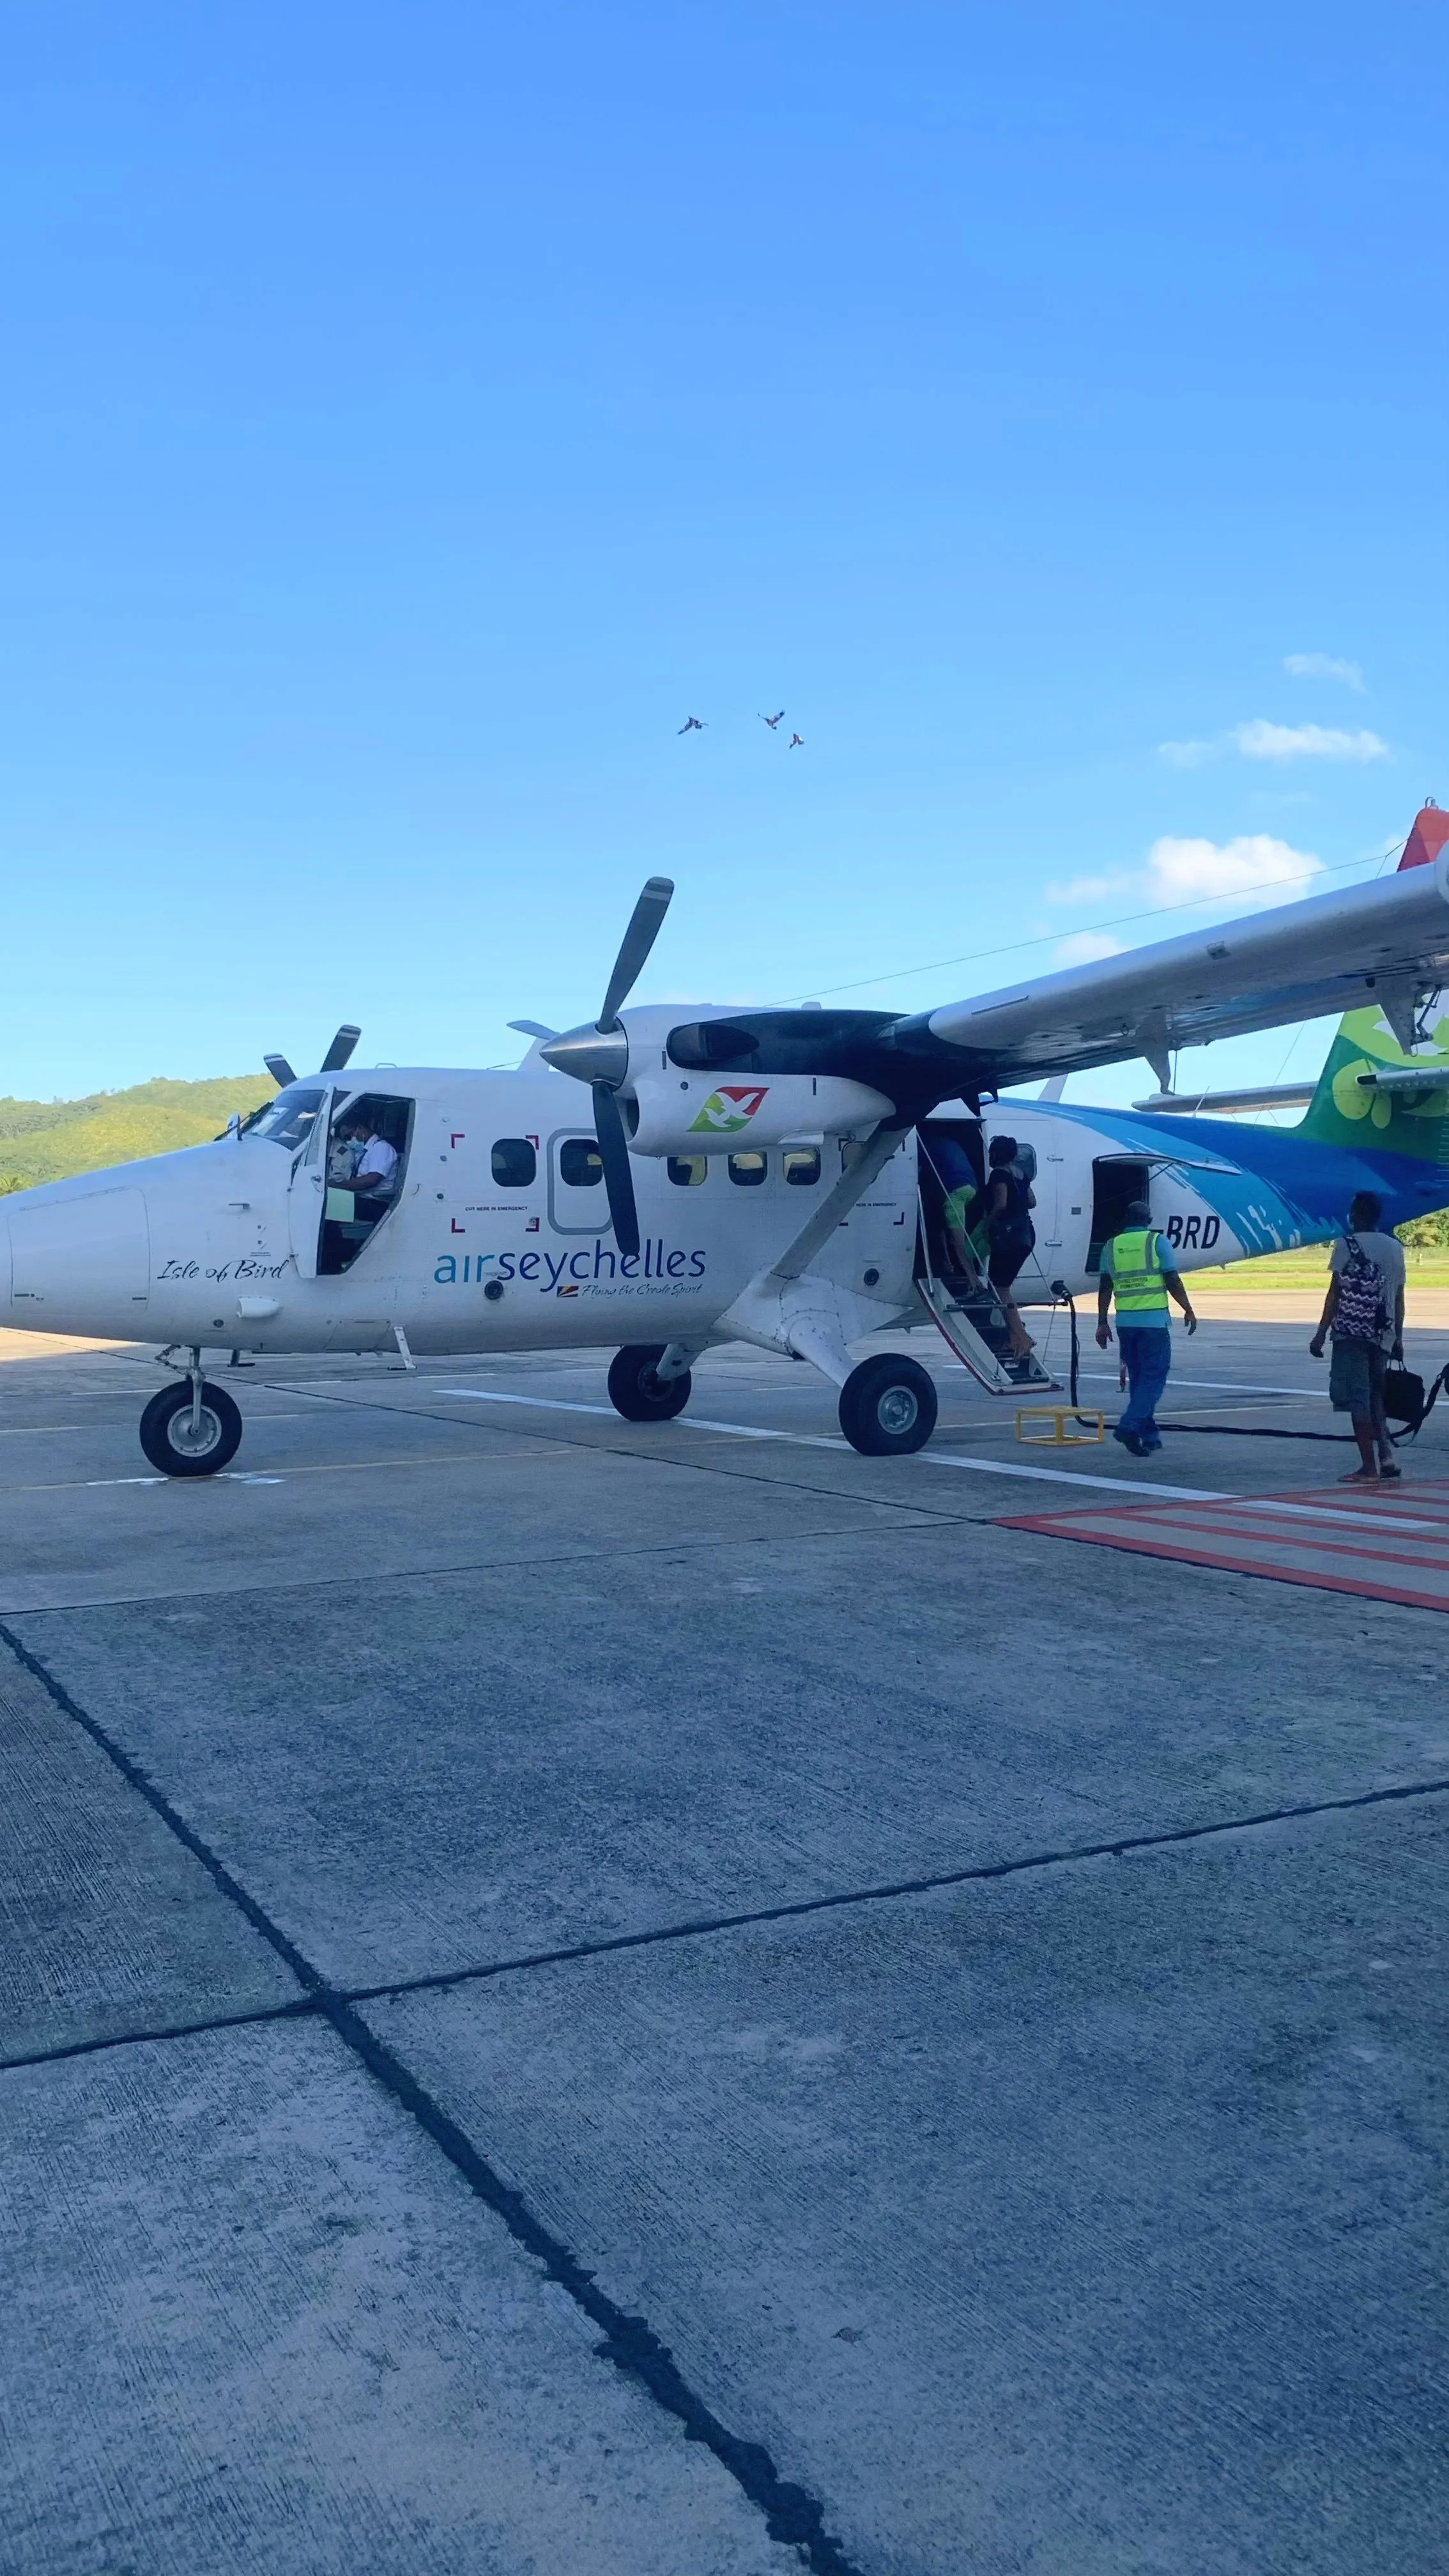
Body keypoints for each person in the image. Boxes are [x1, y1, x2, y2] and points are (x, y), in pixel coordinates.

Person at [1308, 1190, 1406, 1482]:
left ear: (1356, 1215)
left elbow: (1334, 1294)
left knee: (1358, 1399)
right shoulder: (1394, 1248)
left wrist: (1320, 1333)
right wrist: (1399, 1338)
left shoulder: (1344, 1245)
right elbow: (1399, 1297)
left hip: (1350, 1334)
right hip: (1383, 1333)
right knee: (1377, 1394)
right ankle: (1386, 1457)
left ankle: (1368, 1469)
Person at [1095, 1198, 1197, 1455]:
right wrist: (1188, 1309)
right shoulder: (1156, 1241)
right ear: (1148, 1220)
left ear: (1126, 1221)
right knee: (1153, 1379)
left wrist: (1101, 1323)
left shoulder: (1110, 1247)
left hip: (1125, 1323)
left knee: (1140, 1380)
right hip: (1152, 1323)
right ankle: (1129, 1426)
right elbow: (1172, 1279)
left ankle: (1149, 1436)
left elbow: (1105, 1287)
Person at [944, 1135, 1037, 1360]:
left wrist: (990, 1224)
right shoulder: (1021, 1174)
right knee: (1001, 1287)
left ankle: (1021, 1337)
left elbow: (1001, 1204)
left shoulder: (999, 1175)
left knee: (1001, 1289)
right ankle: (1015, 1335)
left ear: (996, 1154)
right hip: (1026, 1234)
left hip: (1007, 1237)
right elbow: (1032, 1202)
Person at [351, 1119, 400, 1221]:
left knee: (328, 1206)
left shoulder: (381, 1148)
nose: (352, 1138)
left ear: (360, 1128)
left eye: (352, 1134)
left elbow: (372, 1180)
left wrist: (341, 1185)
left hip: (374, 1203)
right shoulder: (369, 1149)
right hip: (363, 1199)